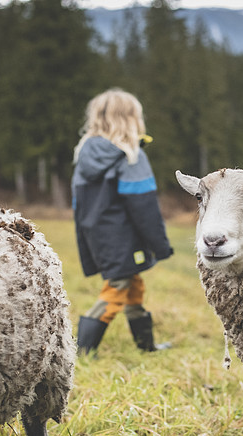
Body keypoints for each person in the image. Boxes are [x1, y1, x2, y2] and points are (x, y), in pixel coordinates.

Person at [72, 88, 173, 355]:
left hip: (98, 236)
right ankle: (81, 351)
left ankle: (146, 345)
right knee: (117, 287)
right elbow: (145, 208)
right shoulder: (131, 156)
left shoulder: (83, 154)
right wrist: (160, 245)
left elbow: (78, 206)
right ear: (131, 118)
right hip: (123, 237)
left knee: (133, 283)